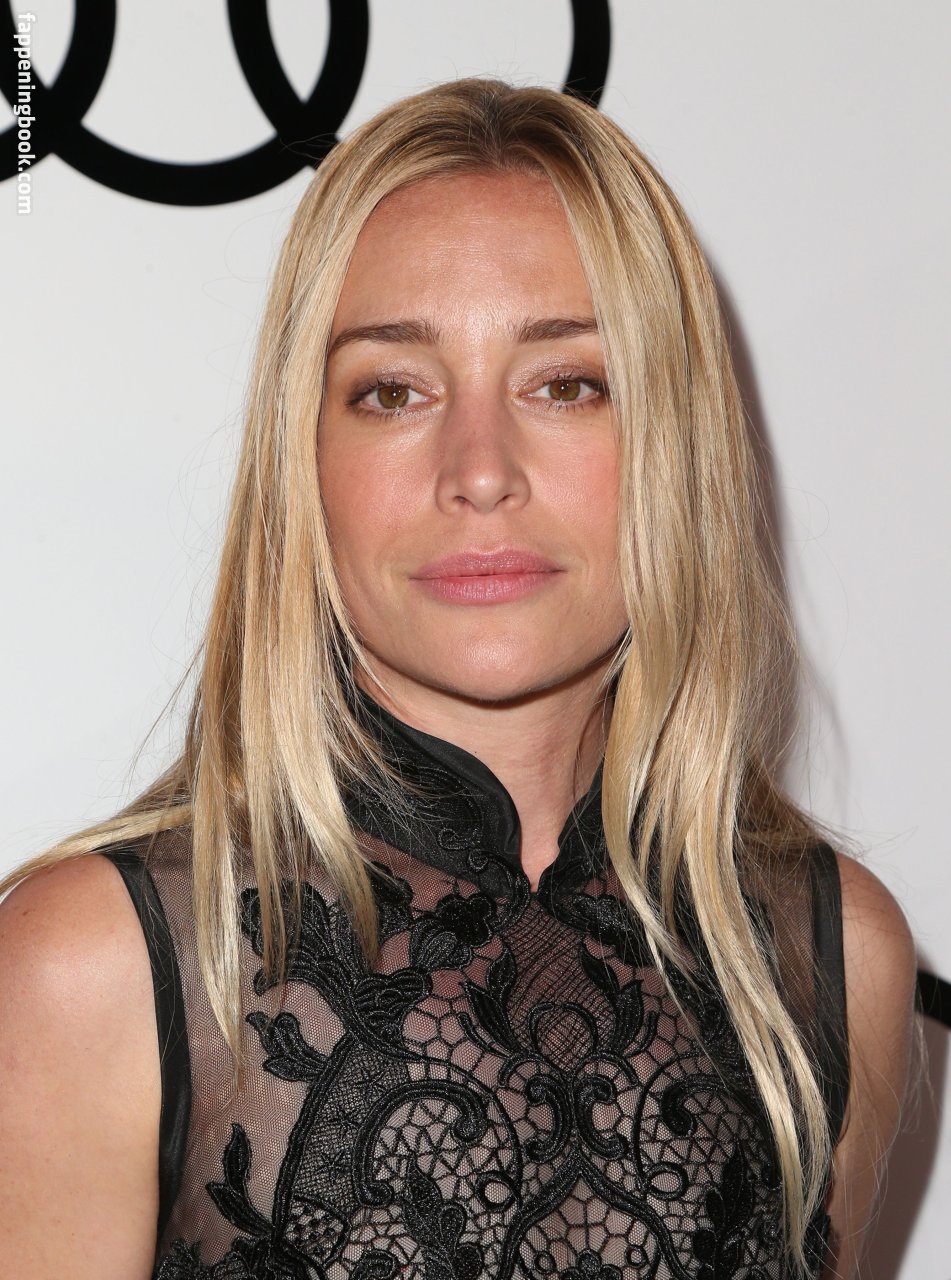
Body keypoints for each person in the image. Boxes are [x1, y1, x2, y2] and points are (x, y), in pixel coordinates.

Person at [0, 79, 915, 1280]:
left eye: (566, 383)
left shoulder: (827, 953)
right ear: (305, 461)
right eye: (394, 390)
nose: (480, 470)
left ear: (676, 442)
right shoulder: (98, 962)